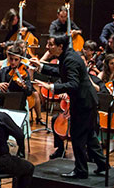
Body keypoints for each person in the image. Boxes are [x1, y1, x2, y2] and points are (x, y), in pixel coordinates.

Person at [39, 35, 110, 178]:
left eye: (51, 44)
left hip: (83, 103)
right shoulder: (68, 56)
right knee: (89, 136)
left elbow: (73, 84)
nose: (47, 47)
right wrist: (41, 67)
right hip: (87, 101)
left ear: (60, 46)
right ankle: (103, 165)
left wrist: (52, 86)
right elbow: (61, 71)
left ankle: (81, 171)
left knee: (77, 137)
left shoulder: (70, 59)